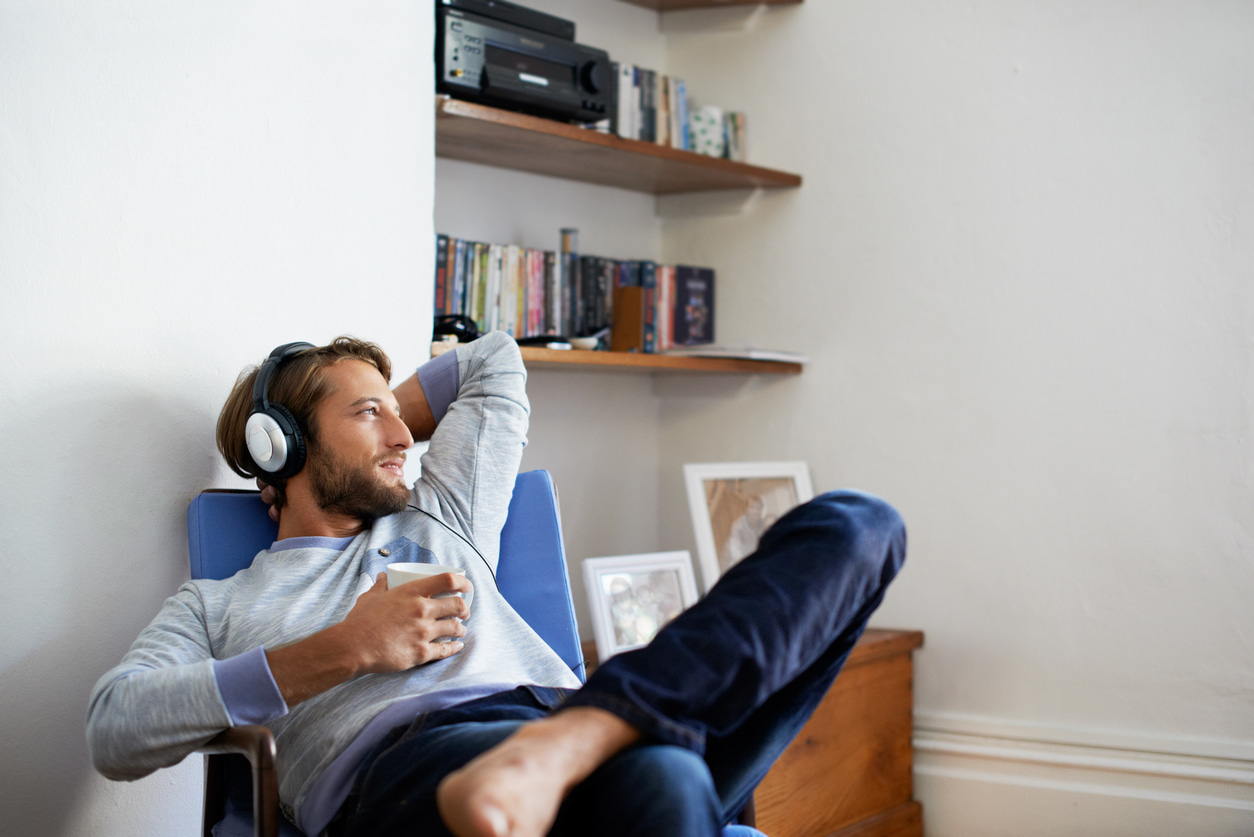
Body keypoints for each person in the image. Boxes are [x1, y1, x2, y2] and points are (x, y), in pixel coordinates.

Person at [87, 332, 907, 837]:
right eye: (367, 414)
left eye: (396, 412)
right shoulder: (220, 604)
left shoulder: (441, 515)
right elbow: (115, 725)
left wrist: (381, 408)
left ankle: (578, 740)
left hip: (564, 721)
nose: (406, 433)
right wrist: (344, 649)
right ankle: (600, 742)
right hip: (414, 775)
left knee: (861, 528)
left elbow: (493, 359)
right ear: (282, 446)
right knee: (664, 779)